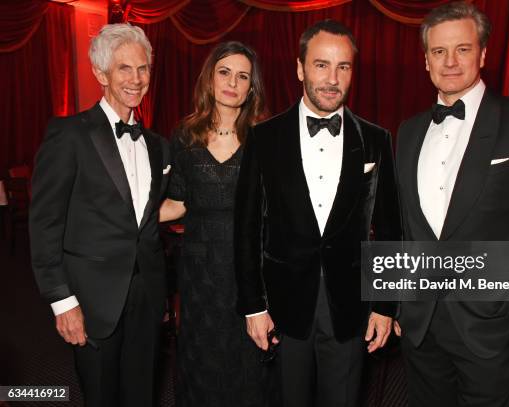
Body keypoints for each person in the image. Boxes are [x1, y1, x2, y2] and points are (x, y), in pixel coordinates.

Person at [394, 2, 509, 406]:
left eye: (463, 48)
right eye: (439, 52)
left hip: (492, 324)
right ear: (426, 61)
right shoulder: (407, 132)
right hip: (420, 326)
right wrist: (400, 300)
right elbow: (407, 229)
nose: (451, 61)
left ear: (484, 54)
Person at [234, 19, 402, 407]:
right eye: (321, 65)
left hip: (350, 307)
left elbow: (391, 228)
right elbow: (245, 230)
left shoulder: (376, 139)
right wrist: (253, 306)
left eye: (343, 67)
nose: (332, 78)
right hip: (283, 305)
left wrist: (385, 305)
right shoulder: (264, 137)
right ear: (300, 68)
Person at [29, 24, 169, 406]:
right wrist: (62, 301)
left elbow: (150, 214)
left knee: (143, 393)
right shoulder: (70, 134)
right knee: (102, 396)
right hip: (91, 299)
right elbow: (44, 225)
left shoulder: (157, 146)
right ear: (100, 74)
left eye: (142, 69)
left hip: (147, 294)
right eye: (124, 69)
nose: (136, 80)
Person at [159, 41, 269, 406]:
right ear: (210, 78)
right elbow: (176, 204)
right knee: (202, 354)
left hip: (249, 267)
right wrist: (124, 218)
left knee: (247, 358)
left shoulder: (264, 138)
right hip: (199, 269)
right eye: (225, 72)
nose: (232, 83)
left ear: (251, 87)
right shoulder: (185, 135)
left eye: (242, 76)